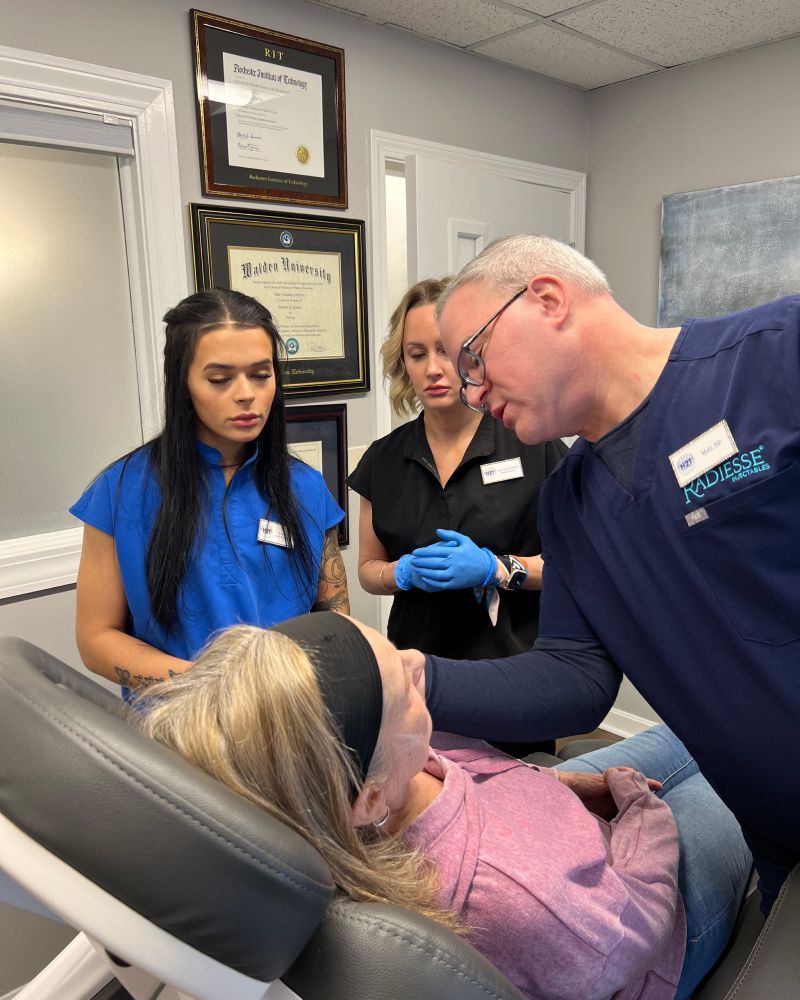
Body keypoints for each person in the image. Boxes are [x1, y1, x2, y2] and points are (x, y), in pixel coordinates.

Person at [416, 233, 800, 916]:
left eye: (473, 358)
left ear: (547, 299)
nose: (470, 392)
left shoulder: (775, 357)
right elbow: (573, 679)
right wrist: (407, 677)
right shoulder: (567, 506)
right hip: (781, 852)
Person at [135, 612, 751, 1000]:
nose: (414, 666)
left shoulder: (364, 784)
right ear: (369, 796)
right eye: (402, 686)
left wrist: (560, 789)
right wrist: (639, 810)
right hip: (649, 920)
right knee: (757, 766)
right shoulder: (512, 897)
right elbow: (628, 939)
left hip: (552, 835)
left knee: (713, 716)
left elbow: (484, 780)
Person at [71, 288, 348, 696]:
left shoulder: (304, 487)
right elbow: (96, 639)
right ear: (183, 383)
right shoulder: (122, 490)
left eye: (261, 374)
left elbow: (333, 618)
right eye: (220, 379)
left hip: (287, 717)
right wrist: (207, 688)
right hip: (176, 727)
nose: (245, 394)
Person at [347, 277, 565, 663]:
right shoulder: (382, 460)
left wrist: (497, 568)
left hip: (517, 664)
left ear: (474, 355)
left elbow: (574, 566)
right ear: (403, 365)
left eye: (446, 351)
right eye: (417, 354)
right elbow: (367, 569)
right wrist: (401, 573)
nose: (433, 369)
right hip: (418, 666)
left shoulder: (533, 444)